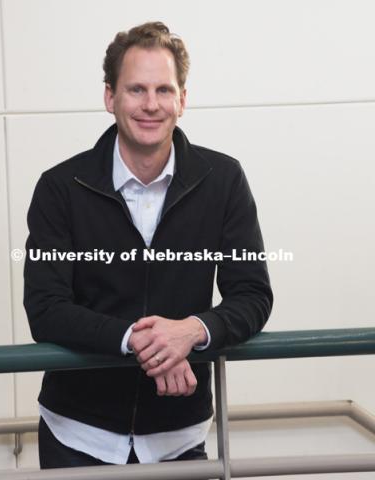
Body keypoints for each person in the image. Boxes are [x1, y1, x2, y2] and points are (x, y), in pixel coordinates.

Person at [24, 21, 273, 469]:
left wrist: (192, 330)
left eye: (164, 89)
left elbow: (253, 295)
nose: (151, 104)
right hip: (78, 434)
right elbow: (45, 307)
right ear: (110, 97)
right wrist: (146, 343)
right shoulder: (60, 187)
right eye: (136, 89)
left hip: (179, 436)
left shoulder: (224, 181)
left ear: (182, 99)